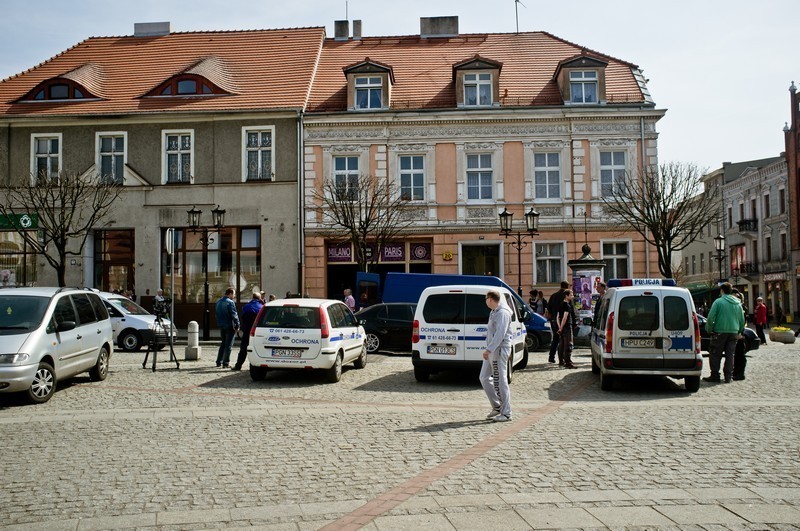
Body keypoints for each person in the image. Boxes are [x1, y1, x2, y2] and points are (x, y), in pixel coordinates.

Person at [479, 290, 514, 422]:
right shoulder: (494, 312)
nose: (485, 301)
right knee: (484, 377)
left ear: (491, 299)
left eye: (486, 298)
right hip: (492, 351)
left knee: (500, 380)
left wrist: (489, 349)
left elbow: (500, 333)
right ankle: (497, 406)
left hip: (499, 350)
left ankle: (506, 413)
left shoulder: (502, 313)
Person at [703, 282, 745, 384]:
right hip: (734, 332)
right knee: (730, 355)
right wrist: (739, 331)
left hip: (719, 332)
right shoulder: (737, 303)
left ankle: (715, 375)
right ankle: (728, 376)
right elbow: (742, 320)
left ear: (722, 291)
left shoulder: (718, 302)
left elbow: (711, 317)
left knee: (715, 354)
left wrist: (709, 329)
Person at [232, 292, 264, 371]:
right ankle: (258, 365)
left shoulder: (246, 306)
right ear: (259, 298)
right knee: (259, 348)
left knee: (243, 349)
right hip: (258, 331)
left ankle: (238, 365)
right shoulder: (262, 307)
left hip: (247, 330)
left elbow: (242, 318)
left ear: (252, 298)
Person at [215, 287, 240, 369]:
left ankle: (219, 361)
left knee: (223, 343)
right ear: (230, 294)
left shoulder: (218, 302)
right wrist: (237, 325)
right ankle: (225, 363)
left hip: (221, 325)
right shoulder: (230, 302)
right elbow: (234, 315)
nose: (234, 295)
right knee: (228, 345)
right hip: (229, 325)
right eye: (234, 294)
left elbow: (217, 314)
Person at [546, 281, 569, 363]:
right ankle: (562, 358)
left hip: (554, 320)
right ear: (567, 286)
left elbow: (548, 308)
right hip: (563, 321)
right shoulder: (566, 296)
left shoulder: (553, 295)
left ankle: (551, 357)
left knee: (555, 339)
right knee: (564, 340)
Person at [556, 289, 576, 368]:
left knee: (562, 345)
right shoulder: (567, 305)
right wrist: (561, 328)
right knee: (568, 345)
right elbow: (564, 317)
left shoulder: (561, 304)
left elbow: (558, 317)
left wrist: (559, 327)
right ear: (566, 296)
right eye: (571, 295)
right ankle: (568, 363)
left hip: (562, 327)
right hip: (567, 326)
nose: (572, 296)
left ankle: (561, 361)